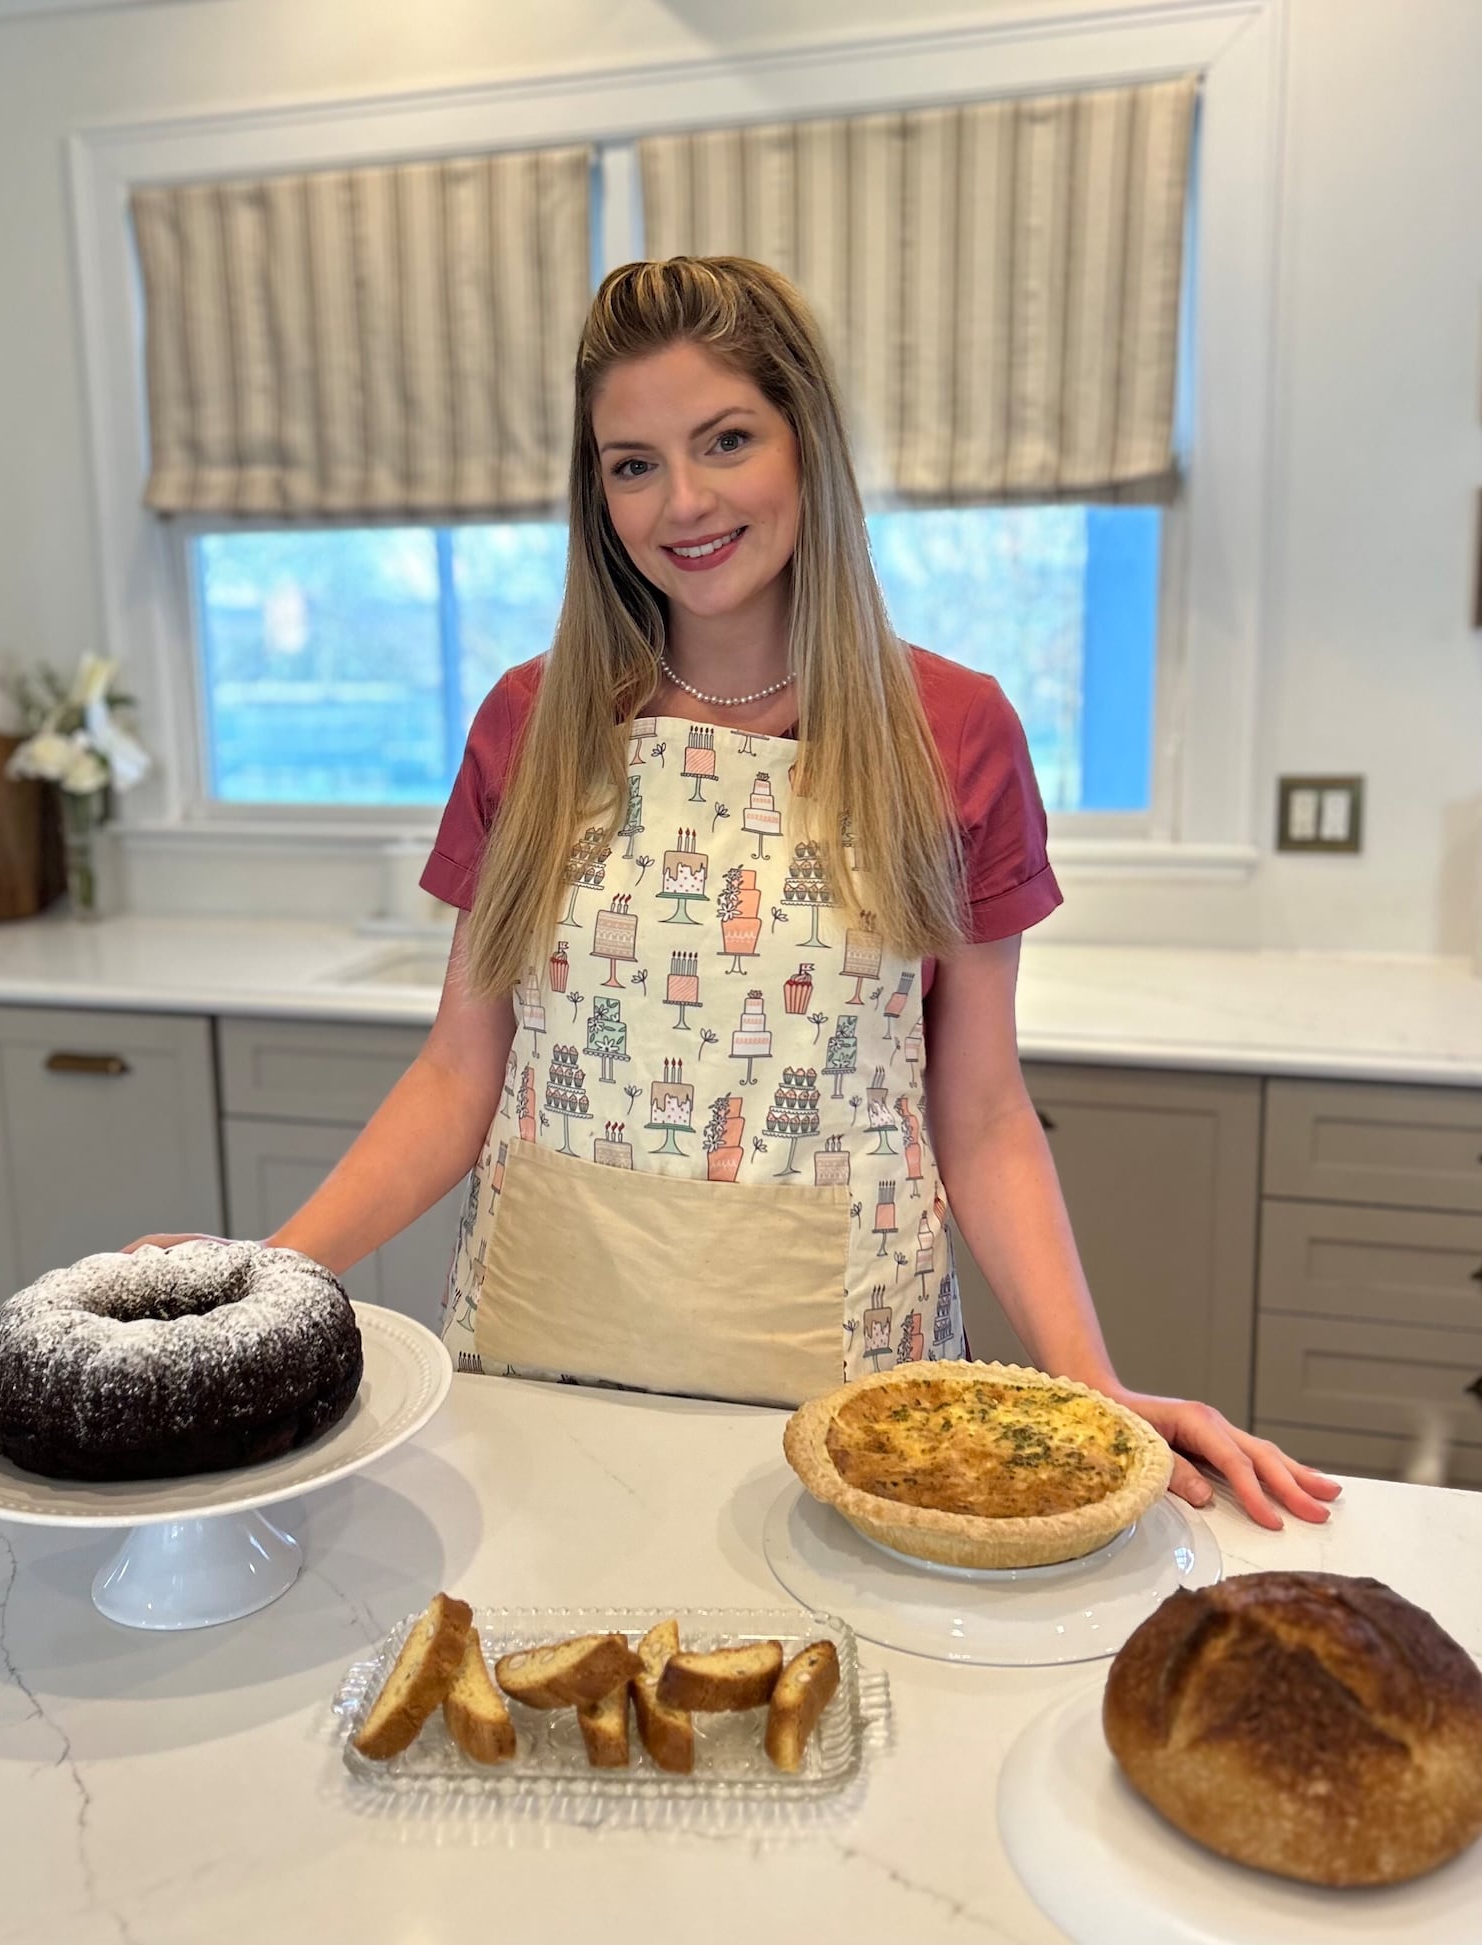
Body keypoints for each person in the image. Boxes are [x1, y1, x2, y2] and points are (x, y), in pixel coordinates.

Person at [131, 256, 1337, 1533]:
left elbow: (978, 1111)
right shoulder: (531, 722)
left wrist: (1089, 1385)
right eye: (631, 462)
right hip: (536, 1372)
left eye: (725, 440)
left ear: (804, 443)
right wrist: (268, 1274)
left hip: (844, 1400)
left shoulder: (953, 730)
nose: (681, 501)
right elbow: (458, 1073)